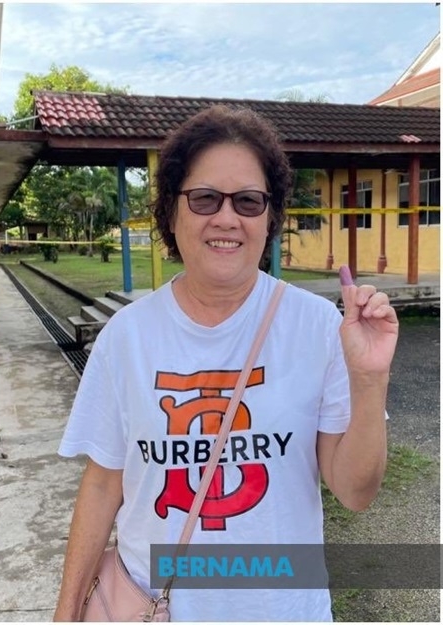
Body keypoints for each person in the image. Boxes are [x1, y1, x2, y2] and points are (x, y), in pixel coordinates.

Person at [54, 105, 397, 621]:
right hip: (153, 608)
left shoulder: (317, 327)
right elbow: (103, 487)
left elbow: (355, 492)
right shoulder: (126, 337)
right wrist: (65, 614)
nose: (226, 217)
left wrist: (369, 381)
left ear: (269, 218)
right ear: (172, 212)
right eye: (205, 198)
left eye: (249, 201)